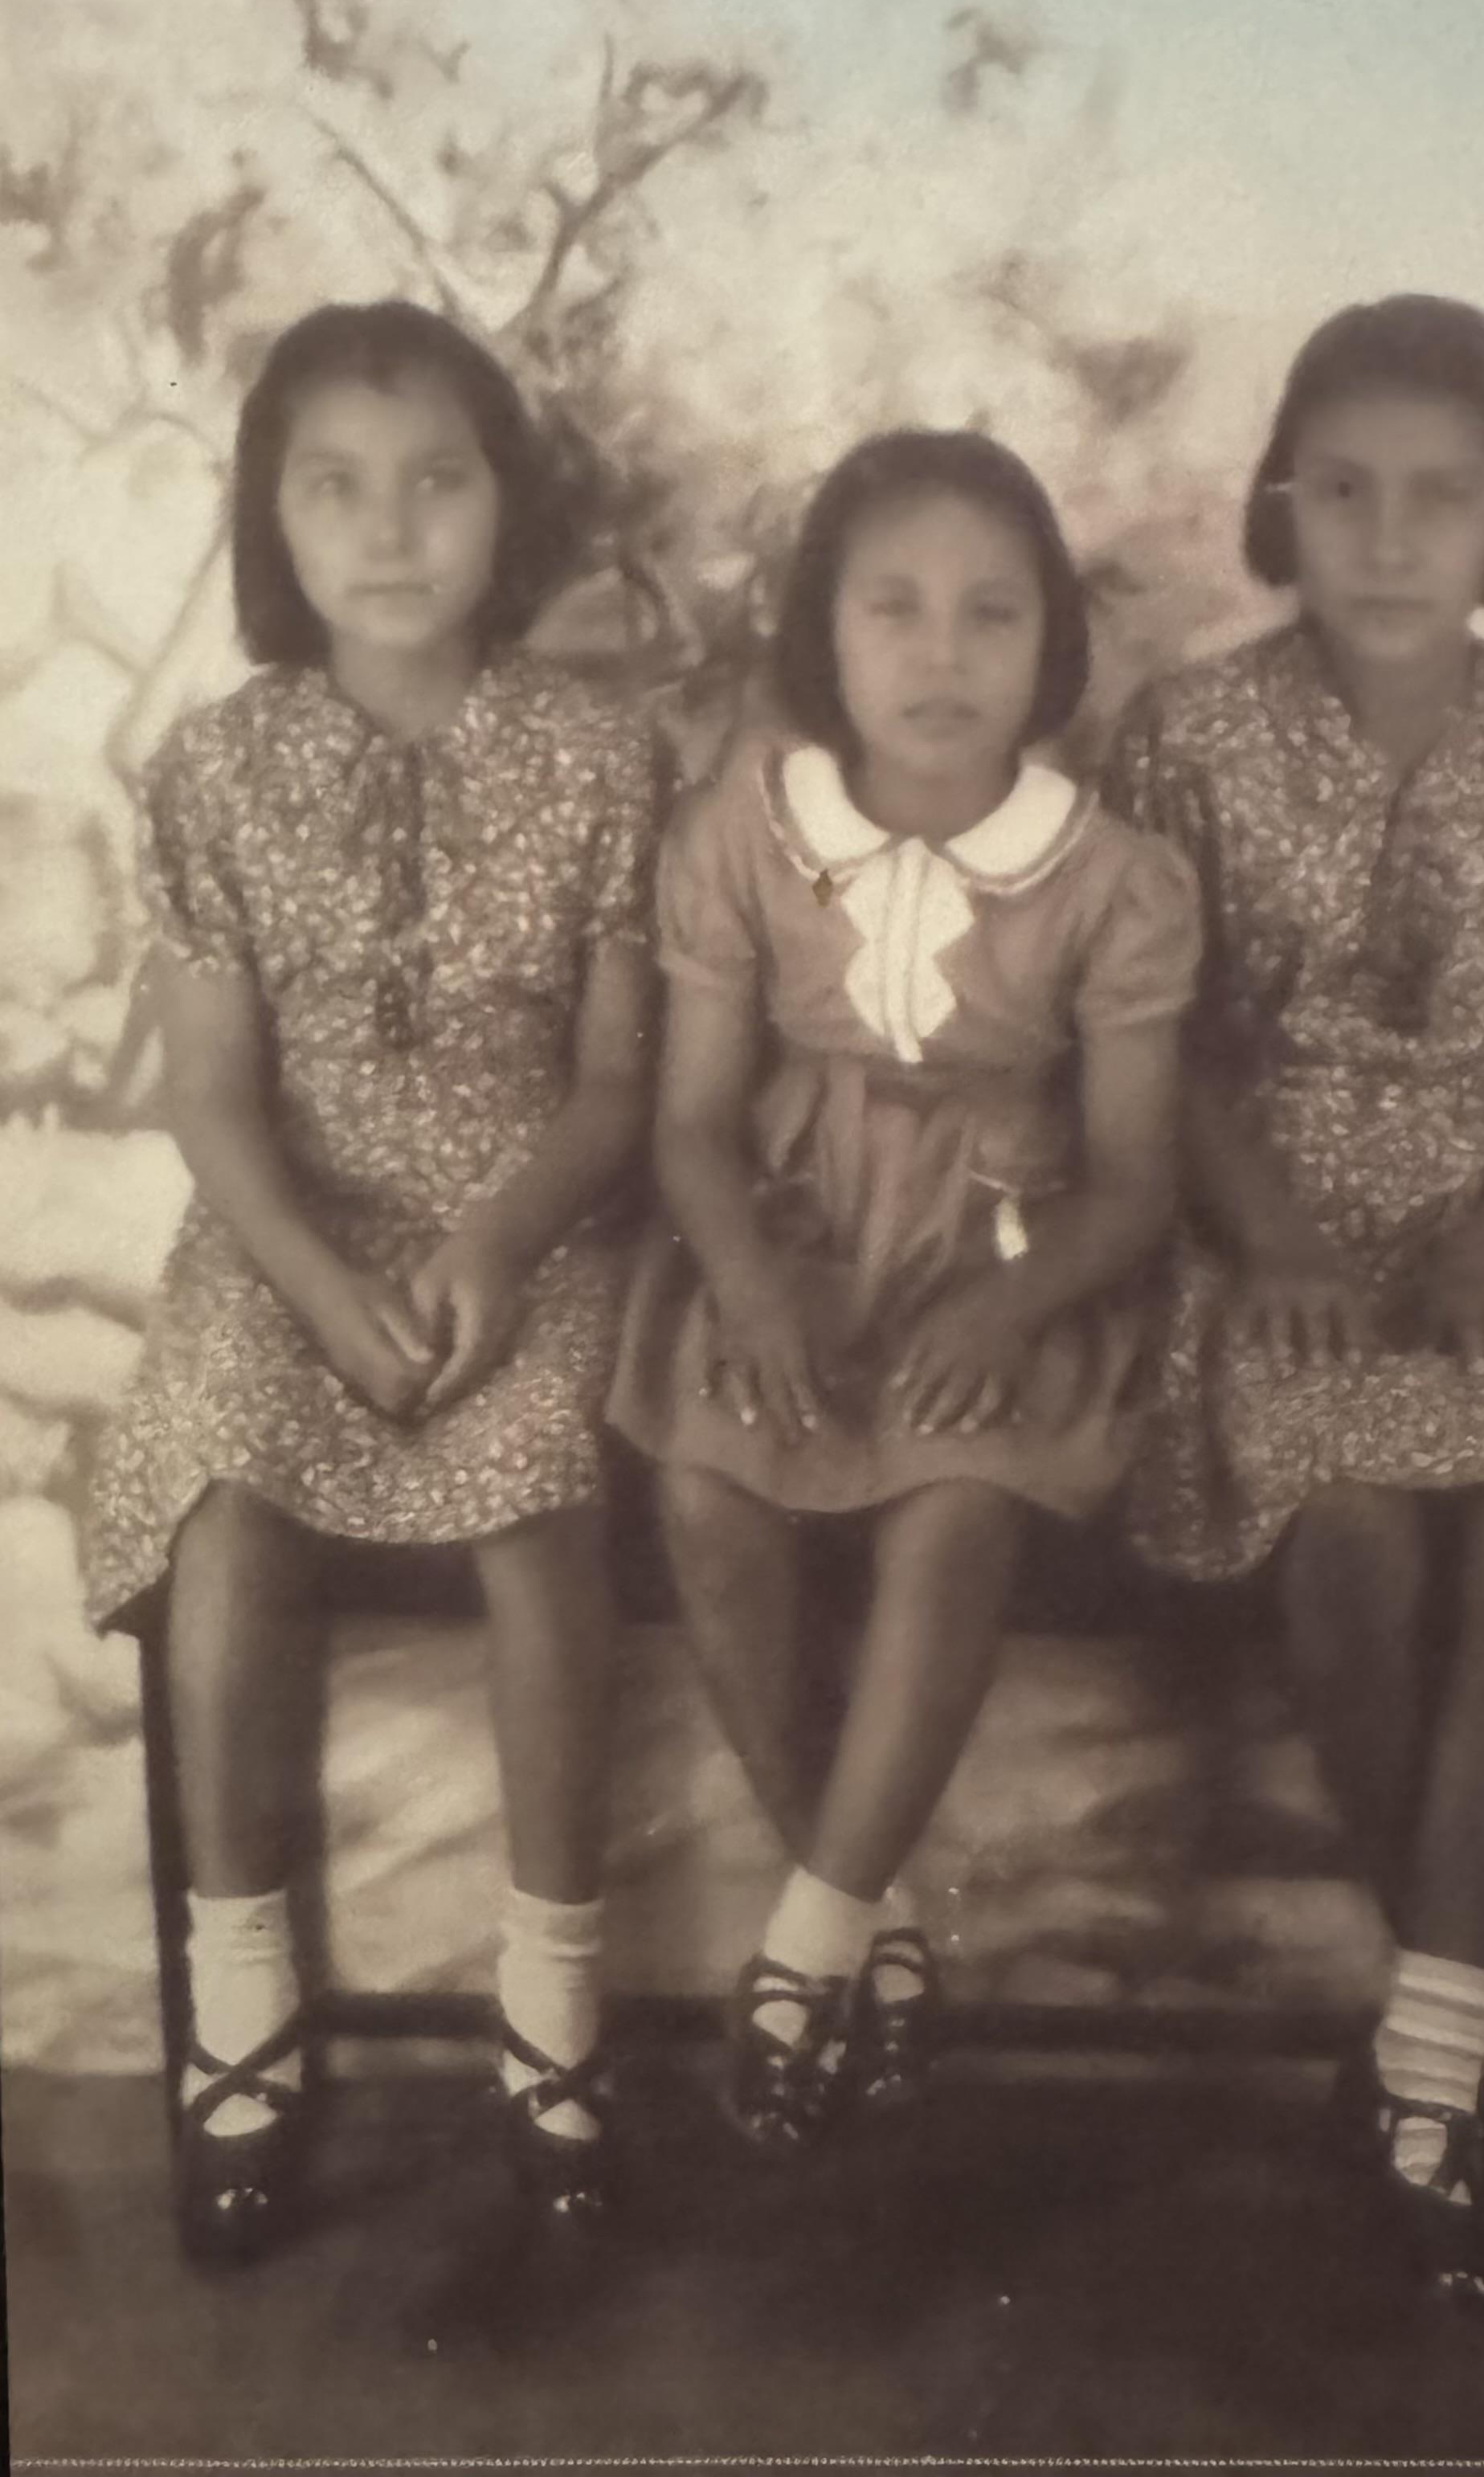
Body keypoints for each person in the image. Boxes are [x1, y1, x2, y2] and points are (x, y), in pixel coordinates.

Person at [1102, 296, 1484, 2299]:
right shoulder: (1186, 739)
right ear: (1282, 504)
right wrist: (1268, 1231)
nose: (1384, 534)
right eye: (1341, 491)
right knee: (1345, 1526)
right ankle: (1471, 2044)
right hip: (1262, 1237)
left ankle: (1428, 2050)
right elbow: (1161, 1052)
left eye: (1437, 496)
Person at [84, 300, 663, 2261]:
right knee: (229, 1502)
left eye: (435, 478)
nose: (388, 525)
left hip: (533, 1219)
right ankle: (242, 2005)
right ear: (273, 515)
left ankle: (551, 2004)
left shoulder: (601, 757)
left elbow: (612, 1080)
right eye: (332, 483)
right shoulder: (216, 768)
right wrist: (328, 1290)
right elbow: (217, 1097)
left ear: (505, 503)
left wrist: (496, 1243)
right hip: (286, 1224)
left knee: (536, 1516)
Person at [608, 428, 1200, 2151]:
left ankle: (801, 1945)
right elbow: (695, 1123)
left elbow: (1140, 1177)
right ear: (826, 636)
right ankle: (867, 1913)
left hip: (1005, 1264)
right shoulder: (743, 830)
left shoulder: (1106, 879)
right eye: (895, 607)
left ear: (1048, 648)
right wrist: (751, 1281)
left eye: (988, 613)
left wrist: (1010, 1310)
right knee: (704, 1486)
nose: (940, 653)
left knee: (956, 1508)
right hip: (785, 1246)